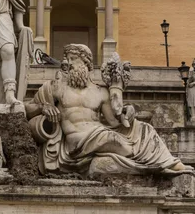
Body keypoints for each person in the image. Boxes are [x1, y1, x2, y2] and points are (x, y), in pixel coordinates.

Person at [26, 43, 193, 176]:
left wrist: (126, 112)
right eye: (67, 59)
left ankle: (169, 163)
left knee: (145, 129)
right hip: (76, 142)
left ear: (86, 63)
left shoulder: (101, 92)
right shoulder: (56, 87)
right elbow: (27, 108)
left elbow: (115, 121)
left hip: (100, 134)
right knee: (110, 138)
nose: (67, 64)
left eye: (72, 59)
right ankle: (153, 162)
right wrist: (44, 107)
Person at [186, 59, 195, 123]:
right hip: (192, 89)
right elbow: (188, 83)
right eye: (194, 64)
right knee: (192, 103)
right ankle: (193, 116)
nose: (194, 66)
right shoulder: (191, 72)